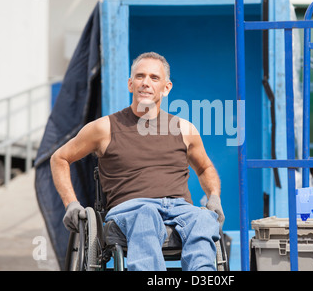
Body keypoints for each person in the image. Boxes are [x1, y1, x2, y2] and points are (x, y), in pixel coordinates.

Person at [50, 52, 224, 271]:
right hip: (132, 208)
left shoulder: (184, 129)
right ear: (130, 84)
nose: (146, 83)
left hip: (180, 208)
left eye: (154, 78)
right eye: (140, 77)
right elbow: (60, 157)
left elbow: (205, 167)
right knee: (146, 214)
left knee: (204, 218)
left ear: (166, 87)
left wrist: (214, 198)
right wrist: (71, 204)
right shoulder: (104, 128)